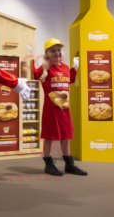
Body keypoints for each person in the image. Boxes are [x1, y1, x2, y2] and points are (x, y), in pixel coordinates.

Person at [27, 38, 87, 176]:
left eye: (59, 50)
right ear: (47, 53)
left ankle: (69, 164)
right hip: (51, 110)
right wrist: (31, 58)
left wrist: (75, 68)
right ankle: (48, 165)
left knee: (66, 136)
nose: (57, 53)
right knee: (49, 137)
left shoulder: (65, 68)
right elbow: (35, 75)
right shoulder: (45, 68)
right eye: (53, 51)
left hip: (65, 110)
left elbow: (70, 80)